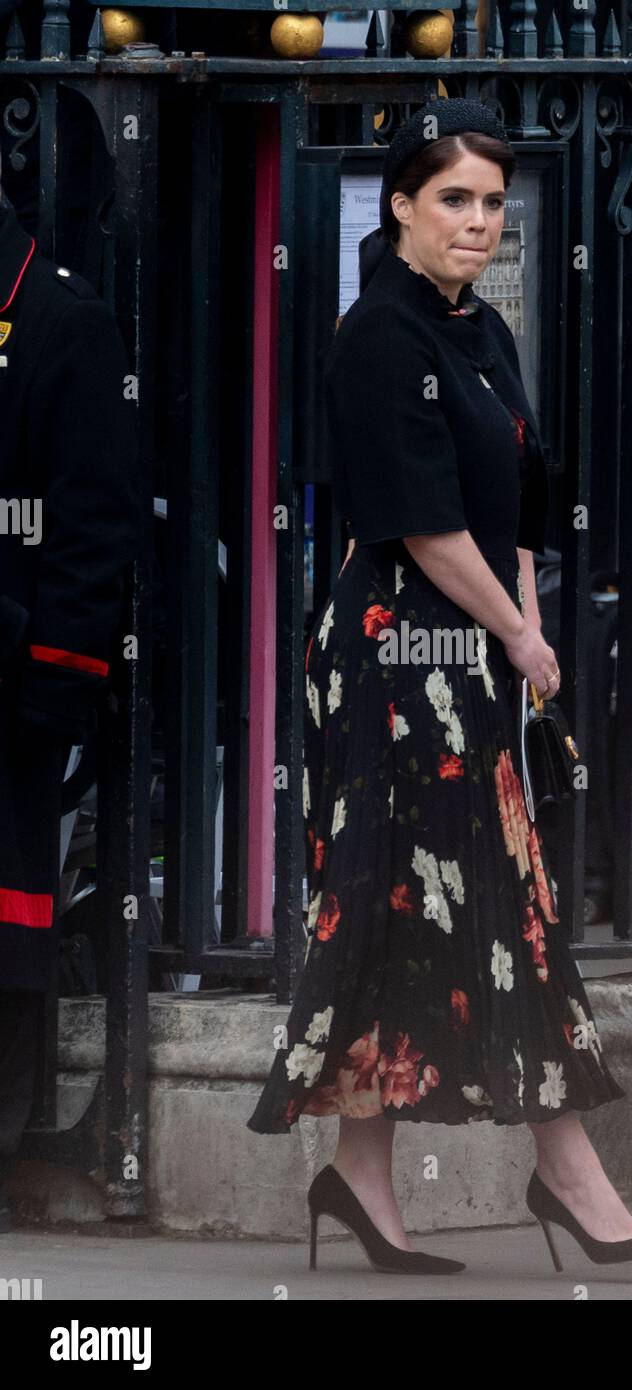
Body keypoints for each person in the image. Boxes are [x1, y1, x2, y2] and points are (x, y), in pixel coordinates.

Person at [247, 98, 632, 1275]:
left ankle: (362, 1176)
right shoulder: (379, 336)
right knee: (491, 905)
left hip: (475, 652)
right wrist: (524, 639)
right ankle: (570, 1175)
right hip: (397, 658)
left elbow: (517, 505)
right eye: (454, 199)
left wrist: (528, 619)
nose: (480, 222)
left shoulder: (476, 330)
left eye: (492, 201)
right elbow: (426, 527)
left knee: (436, 907)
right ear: (399, 205)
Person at [0, 158, 140, 1231]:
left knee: (6, 935)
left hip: (9, 692)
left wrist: (56, 682)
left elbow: (91, 529)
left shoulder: (59, 319)